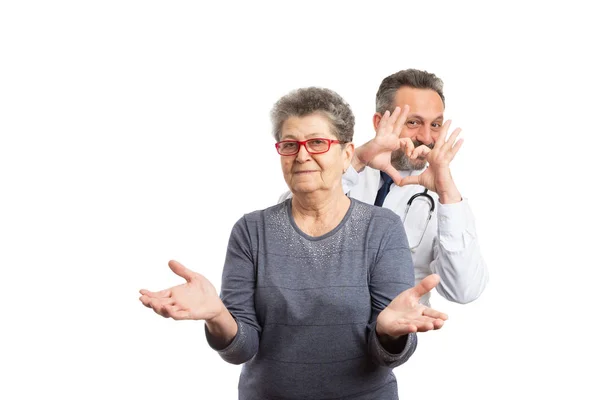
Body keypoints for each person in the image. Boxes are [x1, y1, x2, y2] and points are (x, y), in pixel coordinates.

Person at [139, 87, 448, 399]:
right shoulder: (251, 231)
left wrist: (387, 332)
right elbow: (241, 350)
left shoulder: (381, 228)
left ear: (345, 155)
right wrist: (217, 315)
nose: (302, 155)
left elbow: (387, 355)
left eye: (317, 142)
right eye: (290, 145)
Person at [279, 69, 489, 306]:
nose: (427, 137)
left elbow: (464, 291)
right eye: (413, 122)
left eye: (436, 124)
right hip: (322, 326)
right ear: (380, 122)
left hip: (395, 337)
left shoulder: (447, 199)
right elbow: (281, 235)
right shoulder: (343, 171)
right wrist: (356, 161)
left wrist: (446, 191)